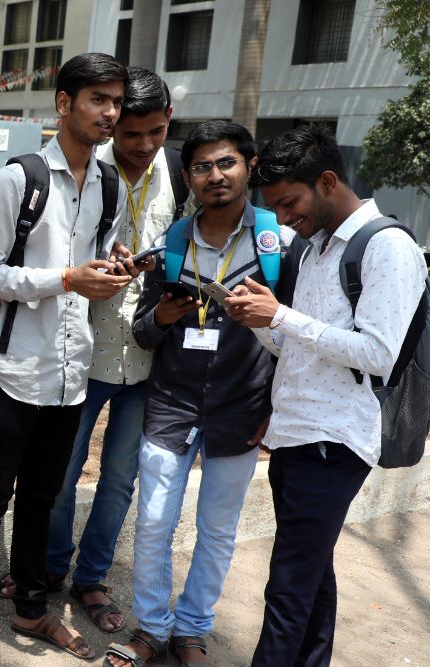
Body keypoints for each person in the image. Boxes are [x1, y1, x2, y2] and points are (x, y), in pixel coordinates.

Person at [0, 52, 137, 667]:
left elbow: (94, 258)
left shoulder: (109, 183)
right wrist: (65, 278)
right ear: (64, 104)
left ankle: (31, 608)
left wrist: (112, 265)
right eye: (98, 100)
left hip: (71, 368)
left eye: (116, 101)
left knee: (44, 496)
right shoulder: (19, 178)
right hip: (14, 367)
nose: (110, 112)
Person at [224, 125, 425, 667]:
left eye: (289, 202)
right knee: (311, 575)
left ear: (328, 181)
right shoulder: (314, 247)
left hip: (333, 442)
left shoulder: (388, 247)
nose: (284, 217)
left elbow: (378, 353)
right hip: (296, 433)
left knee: (288, 585)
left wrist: (283, 315)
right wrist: (258, 319)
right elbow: (304, 346)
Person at [104, 120, 302, 667]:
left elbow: (298, 336)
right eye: (201, 167)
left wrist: (275, 413)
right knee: (153, 520)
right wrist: (162, 317)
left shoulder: (280, 244)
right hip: (171, 403)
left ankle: (192, 630)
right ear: (188, 177)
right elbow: (143, 331)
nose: (214, 175)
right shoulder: (171, 242)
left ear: (249, 167)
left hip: (243, 407)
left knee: (218, 528)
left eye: (226, 163)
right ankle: (150, 628)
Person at [40, 65, 189, 635]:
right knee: (63, 471)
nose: (145, 146)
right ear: (111, 123)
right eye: (132, 134)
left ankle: (92, 578)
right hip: (82, 353)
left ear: (167, 122)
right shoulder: (85, 171)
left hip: (150, 357)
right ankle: (51, 571)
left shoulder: (179, 176)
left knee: (121, 477)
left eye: (156, 133)